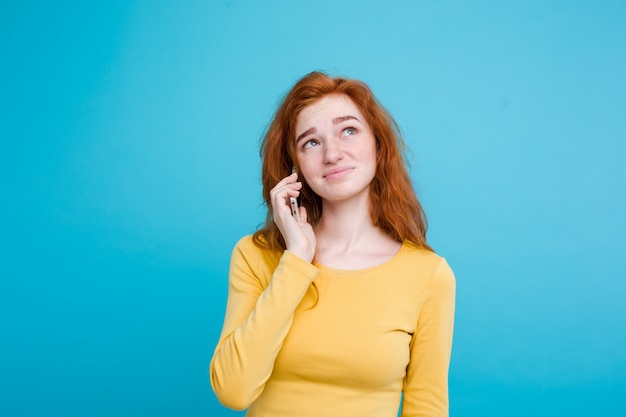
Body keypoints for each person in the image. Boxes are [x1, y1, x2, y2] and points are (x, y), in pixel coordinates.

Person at [209, 71, 456, 417]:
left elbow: (427, 408)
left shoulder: (428, 275)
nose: (332, 154)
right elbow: (233, 391)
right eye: (311, 142)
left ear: (378, 144)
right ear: (296, 166)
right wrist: (296, 260)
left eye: (349, 131)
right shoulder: (255, 256)